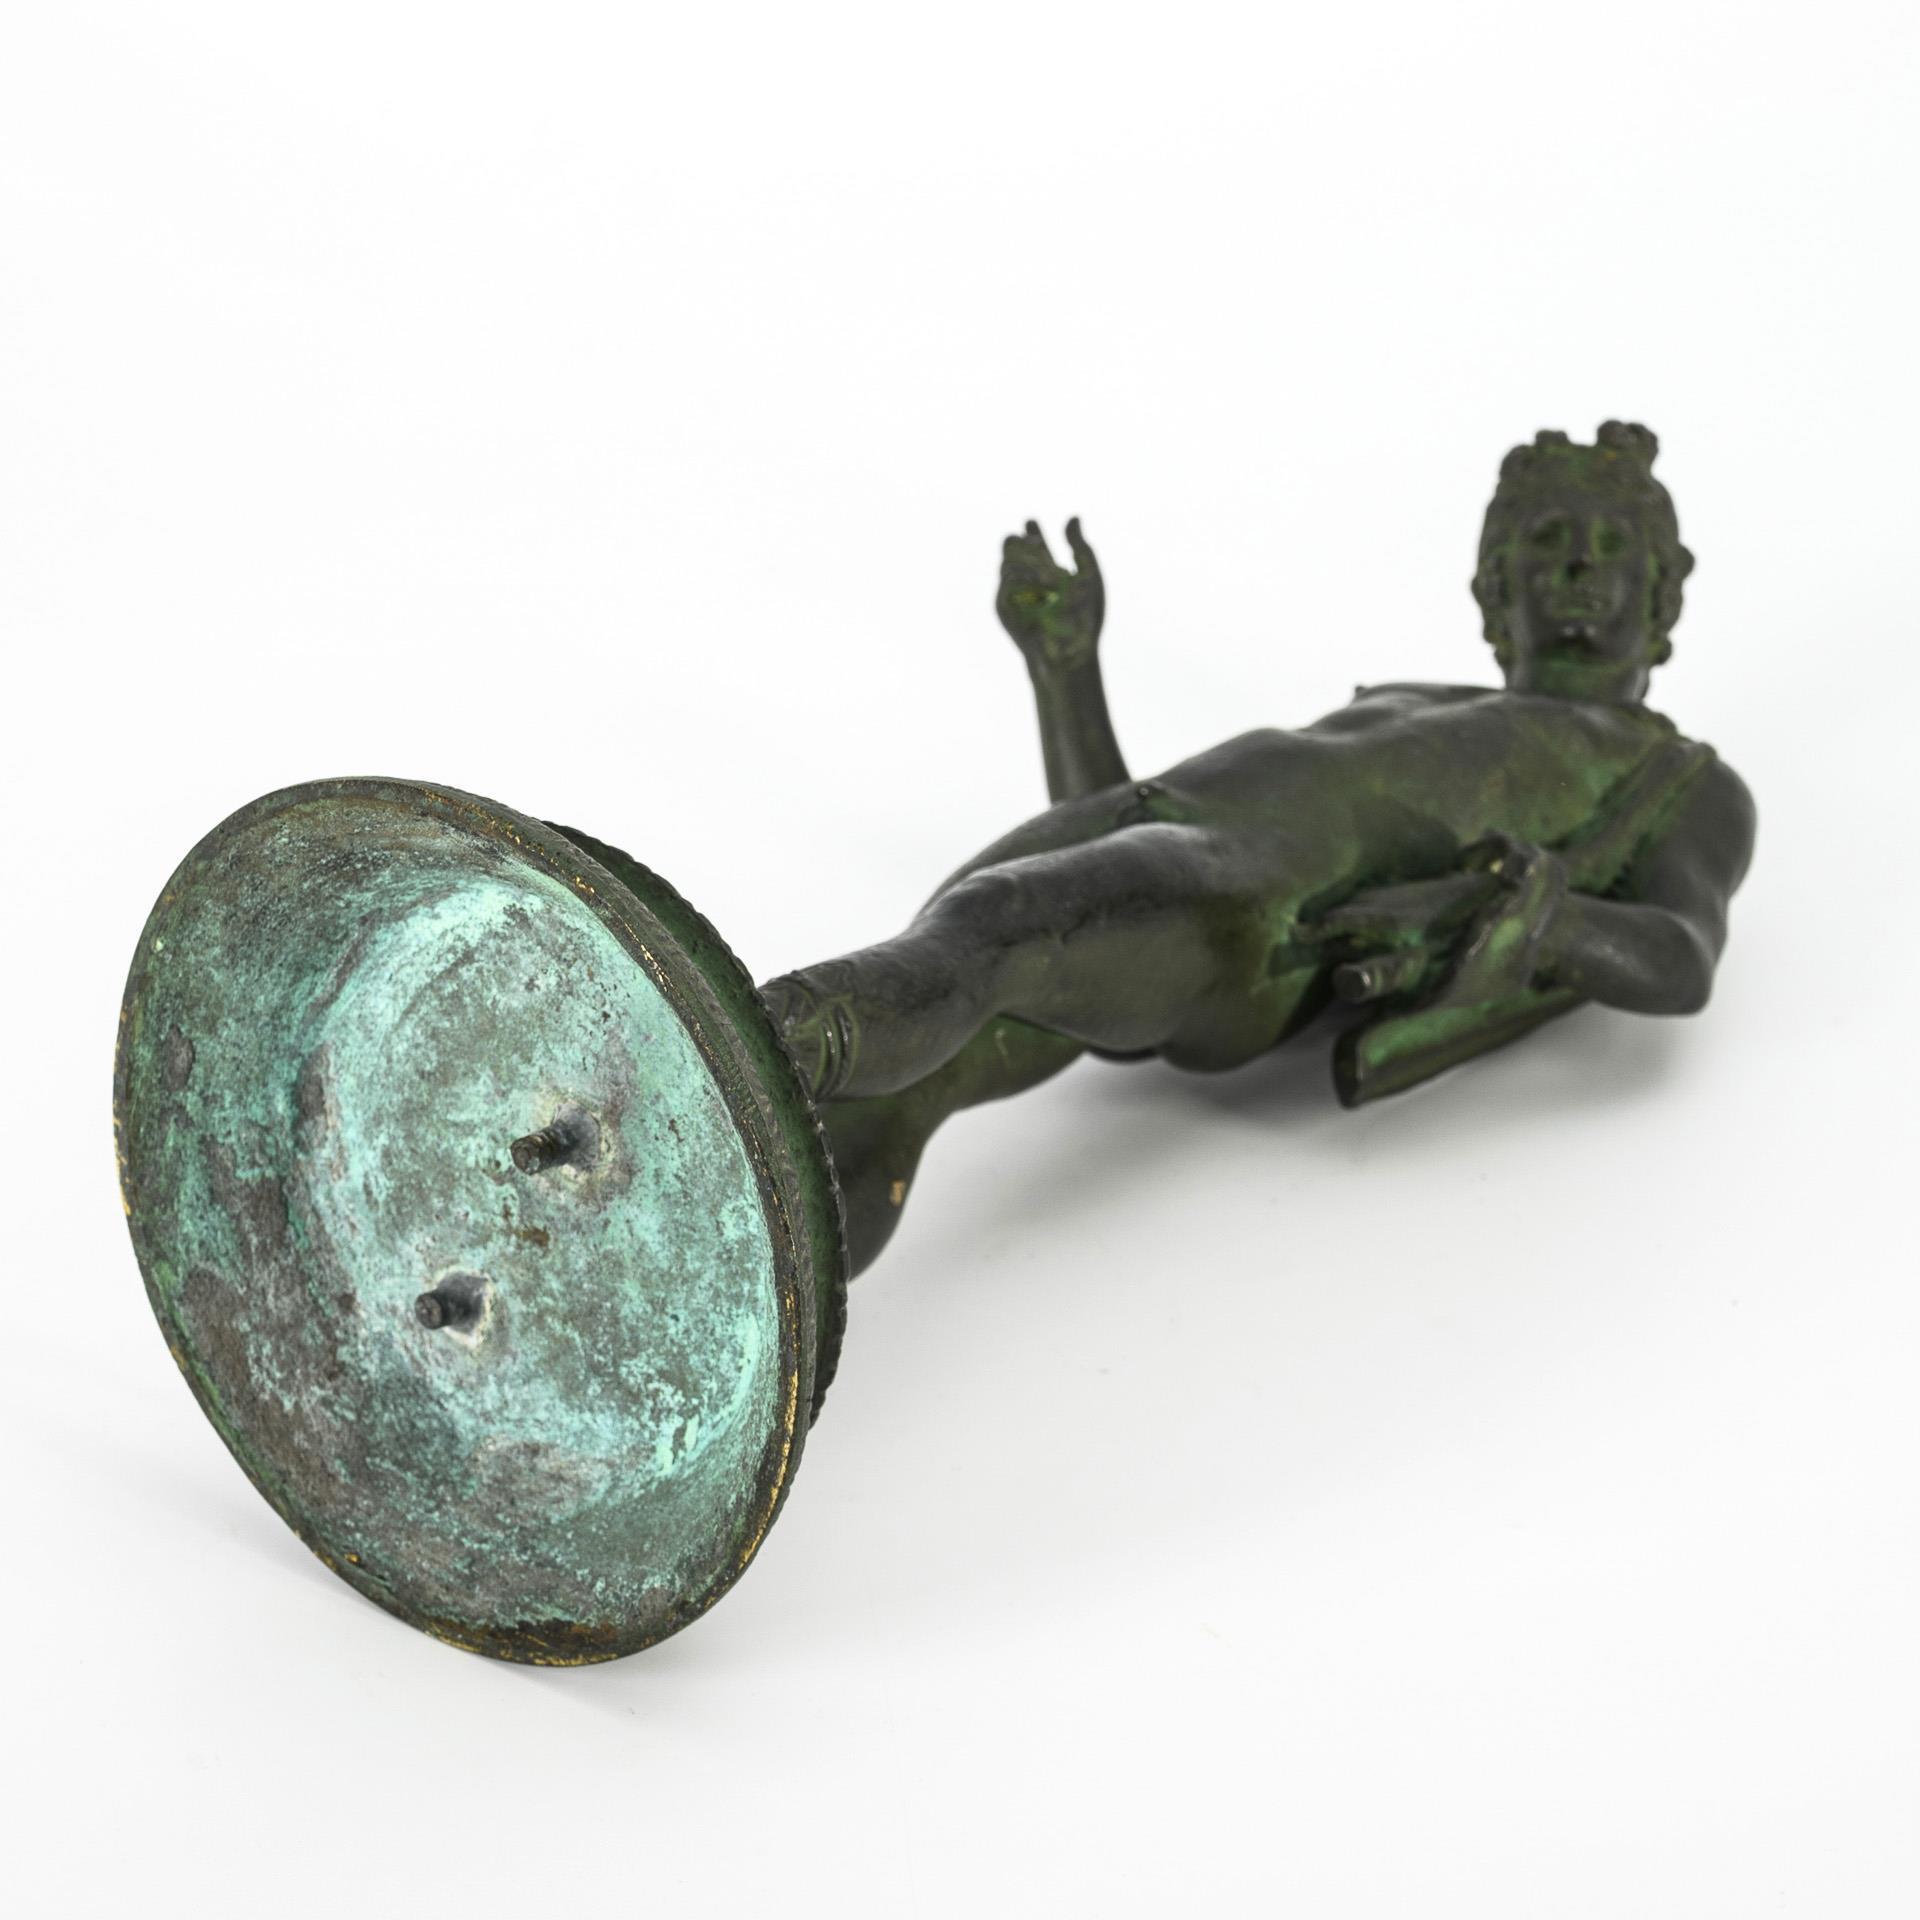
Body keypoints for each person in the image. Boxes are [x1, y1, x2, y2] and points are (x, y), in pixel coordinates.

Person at [766, 424, 1756, 1272]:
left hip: (1264, 910)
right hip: (1152, 824)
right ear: (1496, 587)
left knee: (996, 930)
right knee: (903, 1091)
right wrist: (1067, 675)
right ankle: (739, 1330)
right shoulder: (1409, 698)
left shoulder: (1674, 778)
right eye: (1546, 541)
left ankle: (749, 1045)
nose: (1578, 568)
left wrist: (1548, 922)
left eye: (1611, 547)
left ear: (1662, 595)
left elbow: (1682, 955)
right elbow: (1111, 905)